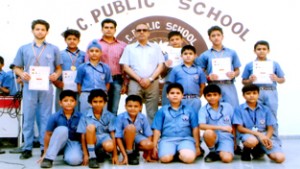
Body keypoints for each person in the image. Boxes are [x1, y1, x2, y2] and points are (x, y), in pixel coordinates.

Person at [13, 19, 62, 159]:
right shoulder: (24, 48)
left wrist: (55, 75)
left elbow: (59, 68)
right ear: (32, 30)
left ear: (47, 31)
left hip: (46, 87)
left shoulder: (54, 49)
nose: (40, 31)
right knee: (28, 117)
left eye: (43, 29)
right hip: (29, 87)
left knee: (45, 117)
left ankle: (43, 147)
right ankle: (27, 147)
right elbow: (16, 67)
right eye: (37, 29)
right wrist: (22, 73)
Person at [119, 23, 164, 124]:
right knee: (133, 110)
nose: (141, 32)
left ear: (148, 33)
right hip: (135, 82)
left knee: (152, 111)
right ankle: (133, 135)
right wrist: (140, 79)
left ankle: (152, 136)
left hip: (152, 82)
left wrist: (150, 79)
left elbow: (161, 65)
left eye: (144, 30)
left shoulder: (155, 47)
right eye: (139, 30)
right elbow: (125, 66)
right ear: (135, 33)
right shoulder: (129, 48)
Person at [241, 40, 285, 136]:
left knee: (272, 115)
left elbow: (282, 79)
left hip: (270, 91)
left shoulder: (274, 64)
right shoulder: (250, 65)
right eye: (259, 49)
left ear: (268, 51)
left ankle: (274, 140)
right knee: (257, 115)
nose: (261, 51)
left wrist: (276, 78)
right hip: (256, 92)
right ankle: (258, 139)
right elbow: (243, 81)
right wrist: (250, 80)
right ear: (254, 51)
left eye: (264, 49)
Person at [233, 84, 285, 163]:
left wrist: (267, 139)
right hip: (248, 134)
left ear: (258, 94)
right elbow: (240, 128)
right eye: (248, 93)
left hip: (264, 135)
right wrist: (258, 135)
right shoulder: (238, 109)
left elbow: (270, 128)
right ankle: (247, 150)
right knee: (252, 141)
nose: (251, 96)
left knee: (280, 158)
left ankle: (259, 150)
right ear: (243, 96)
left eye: (254, 93)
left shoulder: (266, 109)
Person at [151, 83, 201, 163]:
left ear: (182, 95)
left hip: (185, 139)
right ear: (167, 95)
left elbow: (195, 128)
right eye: (172, 93)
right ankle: (173, 152)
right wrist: (154, 147)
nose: (175, 95)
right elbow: (157, 129)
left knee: (189, 159)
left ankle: (180, 152)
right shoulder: (162, 111)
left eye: (178, 93)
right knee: (165, 159)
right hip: (167, 140)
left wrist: (197, 146)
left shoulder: (189, 110)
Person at [194, 25, 241, 109]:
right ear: (209, 38)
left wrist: (234, 74)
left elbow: (237, 70)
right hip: (213, 86)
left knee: (233, 111)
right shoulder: (205, 55)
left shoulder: (231, 52)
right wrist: (208, 77)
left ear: (222, 36)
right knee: (215, 111)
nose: (216, 38)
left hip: (229, 85)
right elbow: (200, 72)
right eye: (213, 36)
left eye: (218, 35)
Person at [39, 90, 83, 168]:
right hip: (58, 143)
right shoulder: (54, 116)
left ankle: (67, 154)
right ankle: (49, 158)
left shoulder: (81, 117)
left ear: (75, 103)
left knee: (75, 160)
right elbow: (48, 134)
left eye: (72, 101)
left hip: (72, 143)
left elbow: (83, 135)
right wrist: (45, 153)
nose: (69, 103)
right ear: (60, 103)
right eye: (65, 101)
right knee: (62, 129)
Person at [77, 89, 118, 168]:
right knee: (90, 127)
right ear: (90, 103)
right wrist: (85, 155)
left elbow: (113, 134)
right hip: (91, 140)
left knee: (109, 146)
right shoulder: (85, 115)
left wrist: (115, 154)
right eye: (95, 102)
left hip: (103, 139)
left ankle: (101, 152)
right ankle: (92, 157)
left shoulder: (110, 116)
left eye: (100, 101)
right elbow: (82, 136)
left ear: (105, 103)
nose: (98, 104)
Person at [98, 18, 127, 116]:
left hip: (116, 79)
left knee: (114, 109)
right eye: (106, 27)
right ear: (102, 29)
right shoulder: (95, 44)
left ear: (115, 30)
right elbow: (87, 63)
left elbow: (125, 66)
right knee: (99, 107)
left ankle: (111, 130)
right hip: (99, 79)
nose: (108, 30)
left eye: (111, 28)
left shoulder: (123, 46)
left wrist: (125, 83)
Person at [198, 84, 234, 163]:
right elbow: (201, 125)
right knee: (208, 133)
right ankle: (213, 152)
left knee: (226, 159)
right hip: (212, 137)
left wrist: (235, 142)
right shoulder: (203, 110)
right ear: (205, 97)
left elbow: (235, 124)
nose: (212, 97)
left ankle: (221, 151)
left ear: (220, 95)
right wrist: (221, 127)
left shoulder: (228, 107)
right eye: (209, 95)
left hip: (226, 138)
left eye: (215, 95)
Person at [115, 95, 154, 165]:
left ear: (140, 107)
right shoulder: (120, 117)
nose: (132, 109)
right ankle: (129, 154)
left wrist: (148, 154)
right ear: (125, 106)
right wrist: (124, 156)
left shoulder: (142, 117)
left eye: (136, 106)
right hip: (125, 138)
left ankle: (135, 150)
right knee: (131, 127)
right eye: (130, 106)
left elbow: (149, 134)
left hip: (136, 136)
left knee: (150, 144)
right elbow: (117, 137)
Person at [75, 40, 113, 114]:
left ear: (101, 53)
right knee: (85, 115)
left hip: (101, 95)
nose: (94, 53)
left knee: (101, 116)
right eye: (91, 51)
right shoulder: (82, 67)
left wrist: (104, 93)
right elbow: (79, 83)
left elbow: (108, 83)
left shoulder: (105, 67)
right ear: (88, 52)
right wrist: (83, 94)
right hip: (86, 94)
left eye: (97, 51)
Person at [53, 29, 85, 112]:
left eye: (74, 39)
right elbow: (53, 69)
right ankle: (61, 124)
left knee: (78, 108)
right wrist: (56, 82)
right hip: (62, 85)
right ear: (65, 40)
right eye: (69, 39)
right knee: (61, 109)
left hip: (78, 86)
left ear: (79, 40)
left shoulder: (84, 55)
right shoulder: (59, 54)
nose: (72, 41)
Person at [167, 45, 206, 113]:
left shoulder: (199, 70)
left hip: (195, 100)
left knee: (194, 121)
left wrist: (197, 97)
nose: (188, 56)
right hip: (180, 100)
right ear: (181, 56)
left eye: (190, 54)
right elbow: (171, 86)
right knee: (181, 121)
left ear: (195, 55)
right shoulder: (176, 69)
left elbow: (202, 86)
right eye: (185, 54)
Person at [161, 31, 184, 106]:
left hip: (183, 83)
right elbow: (162, 75)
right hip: (169, 83)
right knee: (166, 107)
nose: (175, 41)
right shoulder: (166, 55)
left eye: (177, 39)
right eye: (172, 40)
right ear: (169, 42)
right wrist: (166, 66)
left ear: (182, 40)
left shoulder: (187, 53)